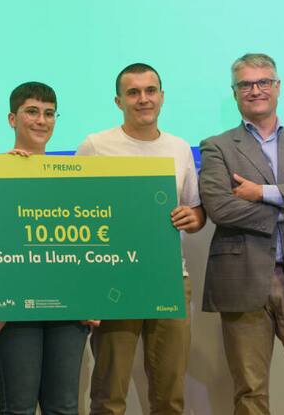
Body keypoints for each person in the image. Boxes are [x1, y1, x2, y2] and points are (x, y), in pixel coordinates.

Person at [199, 53, 284, 414]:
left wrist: (261, 192)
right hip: (242, 280)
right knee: (250, 395)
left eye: (264, 82)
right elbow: (221, 208)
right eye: (245, 84)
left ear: (277, 87)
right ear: (235, 92)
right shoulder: (216, 147)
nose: (255, 90)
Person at [77, 63, 205, 415]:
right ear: (119, 101)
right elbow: (76, 212)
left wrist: (193, 218)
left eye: (150, 91)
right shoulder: (95, 146)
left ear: (162, 97)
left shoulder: (179, 148)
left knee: (169, 395)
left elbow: (195, 210)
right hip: (114, 279)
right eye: (133, 92)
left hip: (169, 279)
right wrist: (85, 291)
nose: (143, 99)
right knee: (109, 394)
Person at [0, 82, 90, 415]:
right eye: (32, 112)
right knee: (19, 408)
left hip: (69, 307)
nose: (42, 120)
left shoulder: (74, 176)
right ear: (12, 119)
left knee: (65, 408)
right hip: (12, 309)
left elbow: (87, 243)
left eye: (49, 113)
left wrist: (94, 297)